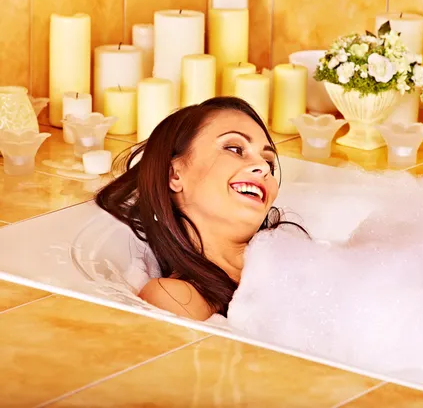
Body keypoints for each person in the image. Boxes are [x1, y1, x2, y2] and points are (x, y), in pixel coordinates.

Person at [96, 97, 306, 321]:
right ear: (174, 175)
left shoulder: (295, 259)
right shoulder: (176, 297)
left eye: (269, 162)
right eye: (235, 148)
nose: (263, 168)